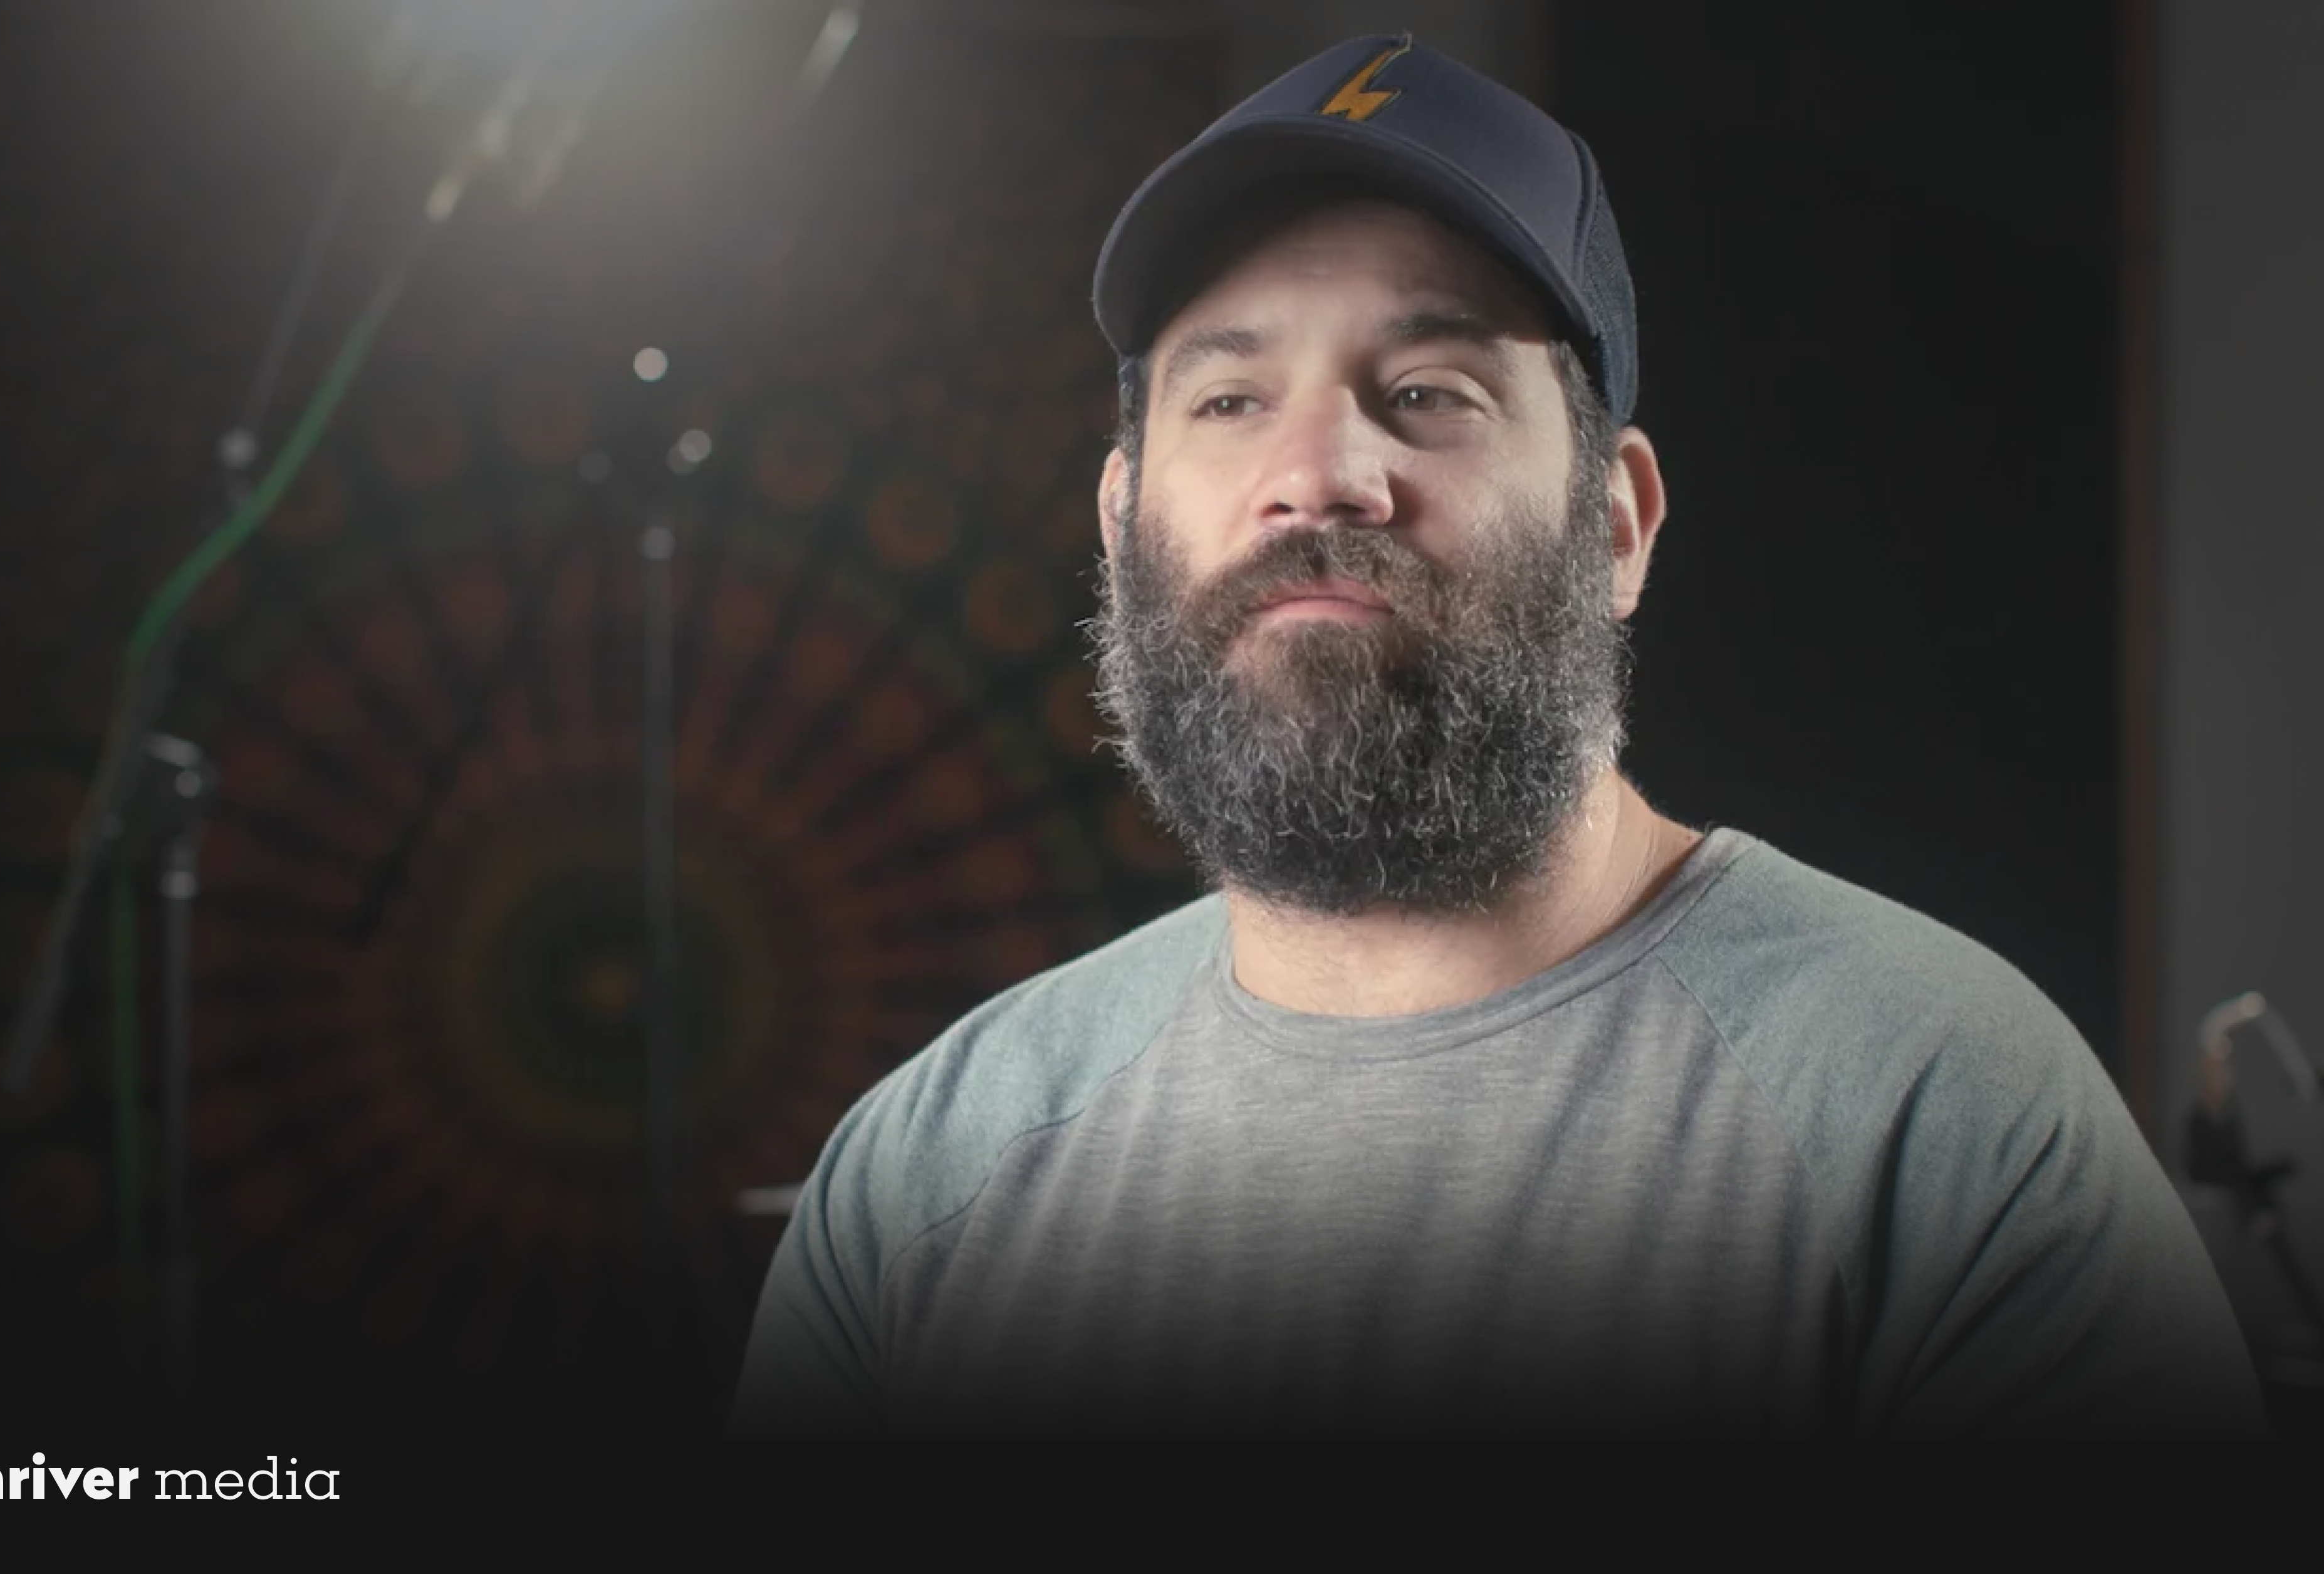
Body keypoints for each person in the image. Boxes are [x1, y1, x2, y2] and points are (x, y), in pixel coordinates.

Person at [729, 34, 2263, 1438]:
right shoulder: (925, 1175)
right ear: (1124, 524)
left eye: (1423, 391)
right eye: (1227, 399)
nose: (1316, 474)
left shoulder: (1940, 1125)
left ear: (1612, 525)